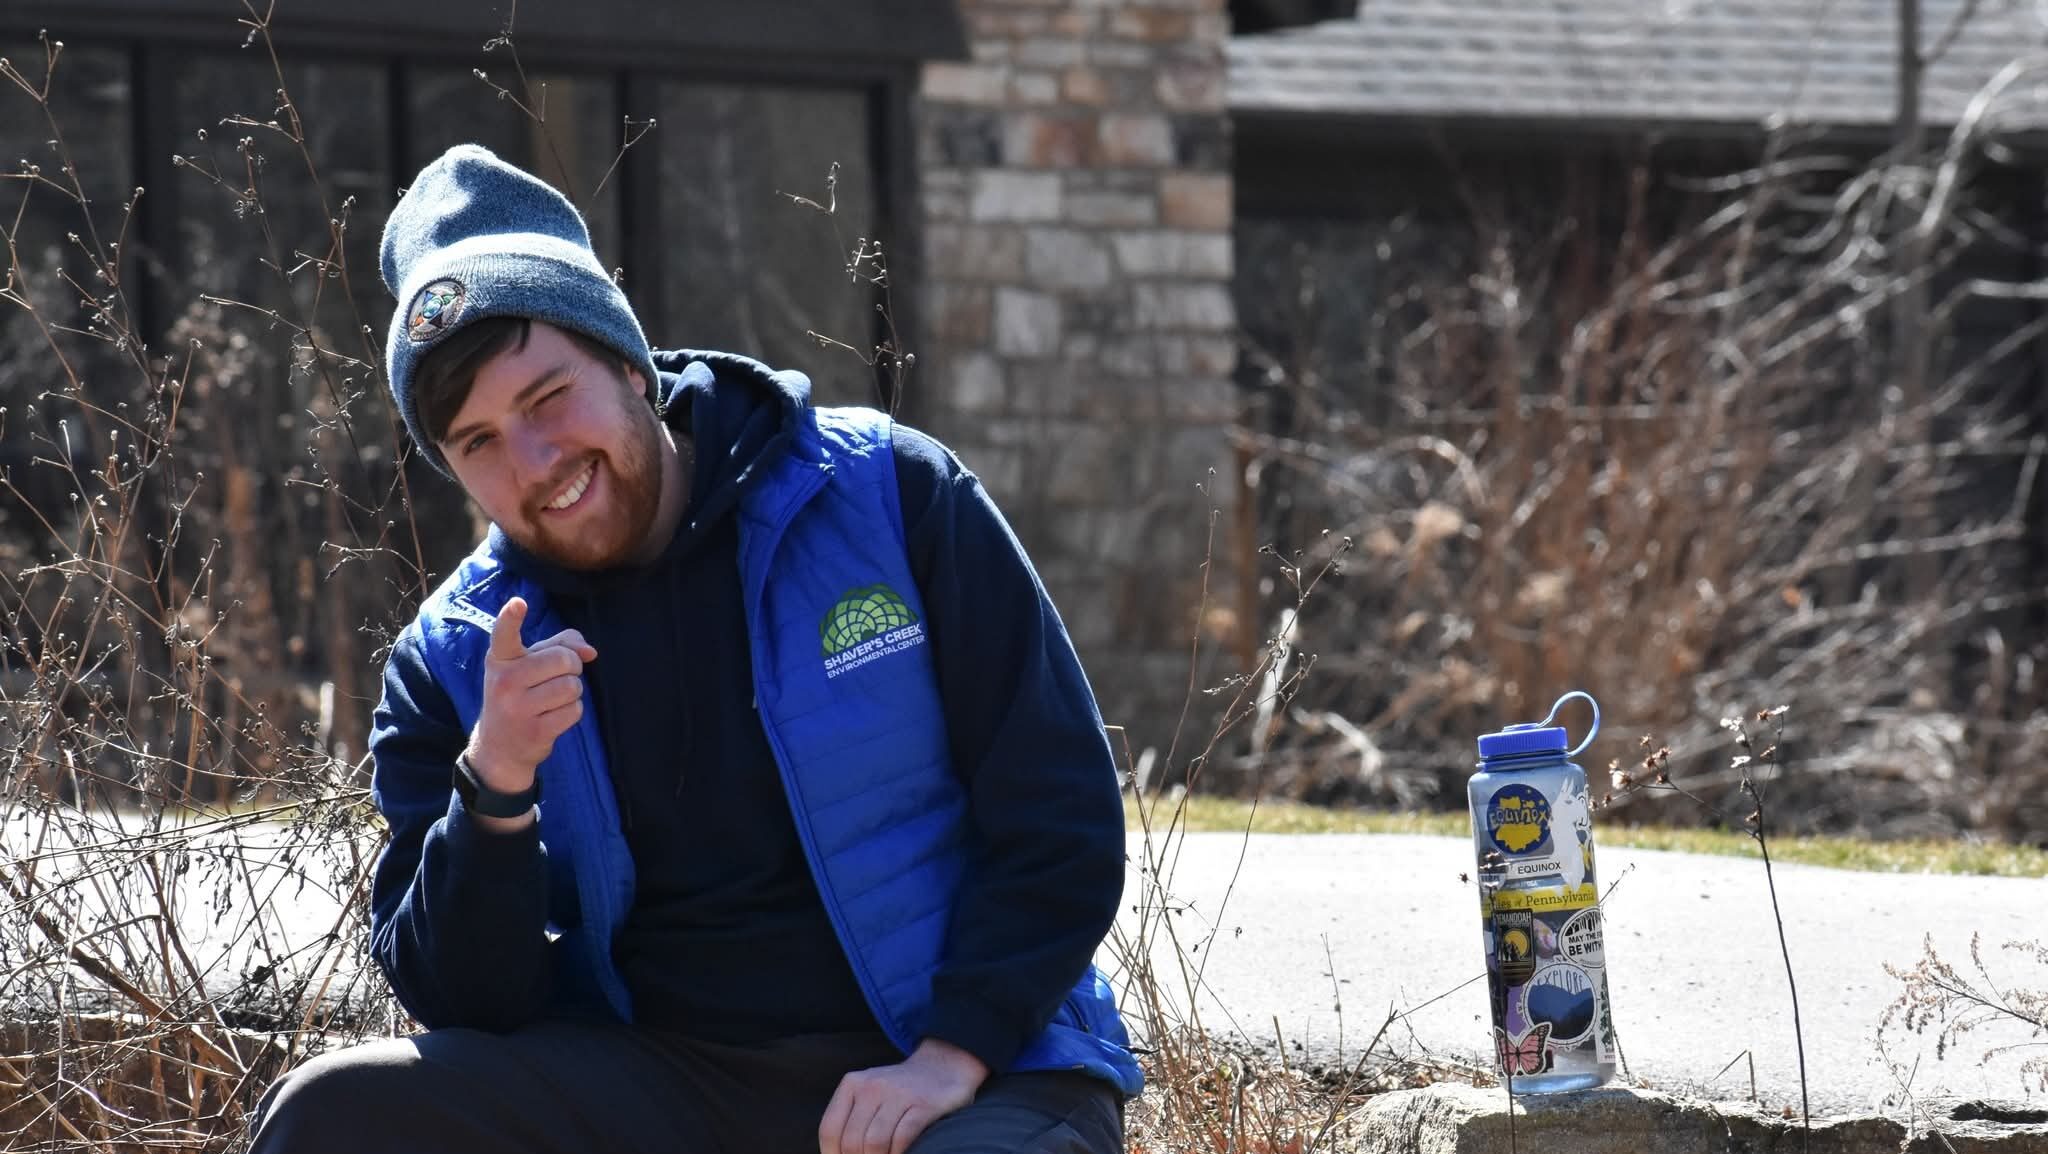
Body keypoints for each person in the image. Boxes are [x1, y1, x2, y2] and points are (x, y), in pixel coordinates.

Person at [247, 144, 1139, 1154]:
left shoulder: (889, 496)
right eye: (479, 441)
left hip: (970, 1067)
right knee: (333, 1112)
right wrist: (494, 789)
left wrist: (951, 1052)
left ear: (628, 361)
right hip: (667, 1085)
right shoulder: (456, 658)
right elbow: (462, 1002)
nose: (535, 462)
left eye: (547, 399)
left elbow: (1058, 818)